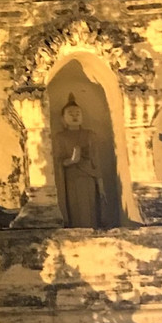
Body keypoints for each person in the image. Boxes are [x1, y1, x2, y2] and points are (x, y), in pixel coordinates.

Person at [52, 95, 103, 228]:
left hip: (88, 178)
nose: (75, 116)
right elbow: (58, 162)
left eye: (78, 113)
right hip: (71, 179)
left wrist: (100, 183)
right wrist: (71, 160)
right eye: (71, 114)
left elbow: (96, 160)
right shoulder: (60, 137)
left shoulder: (90, 135)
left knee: (90, 209)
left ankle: (93, 230)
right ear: (63, 119)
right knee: (75, 209)